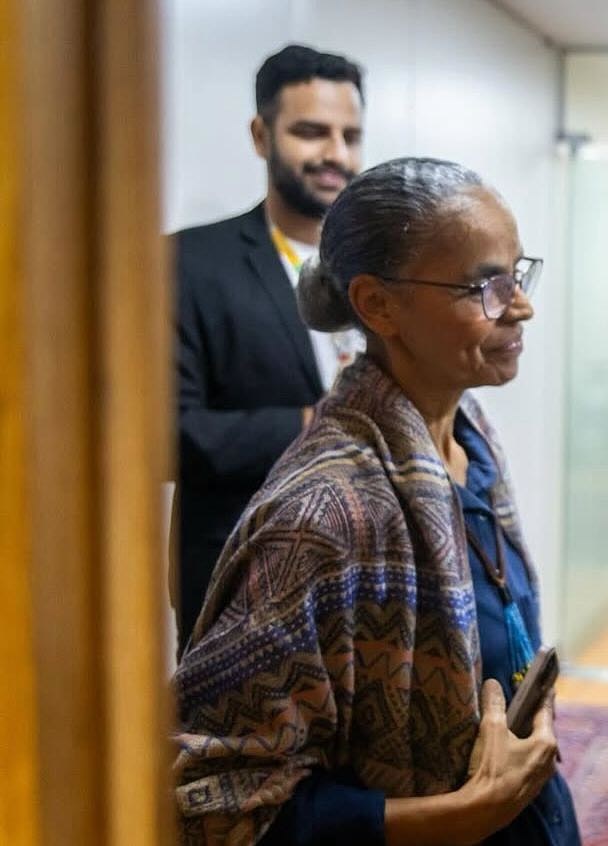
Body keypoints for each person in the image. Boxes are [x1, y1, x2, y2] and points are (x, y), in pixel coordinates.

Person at [173, 158, 580, 846]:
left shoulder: (471, 438)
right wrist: (457, 820)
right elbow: (214, 798)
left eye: (518, 272)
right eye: (485, 284)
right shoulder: (321, 517)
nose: (520, 305)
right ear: (377, 305)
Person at [174, 44, 366, 649]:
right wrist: (316, 424)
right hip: (243, 595)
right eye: (311, 132)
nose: (335, 154)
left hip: (373, 594)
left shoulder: (387, 271)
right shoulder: (188, 263)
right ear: (261, 135)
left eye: (350, 135)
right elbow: (163, 434)